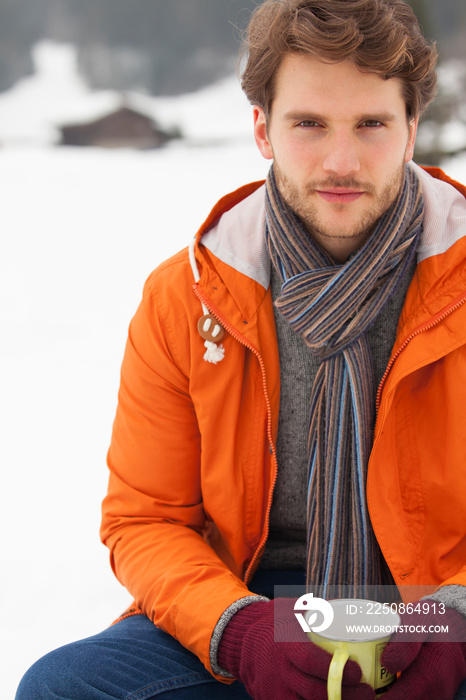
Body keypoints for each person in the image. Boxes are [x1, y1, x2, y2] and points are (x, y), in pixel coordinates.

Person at [16, 0, 466, 698]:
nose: (341, 160)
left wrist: (453, 627)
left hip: (433, 612)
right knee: (64, 684)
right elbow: (146, 518)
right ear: (262, 128)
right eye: (309, 124)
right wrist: (239, 630)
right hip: (263, 607)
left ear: (411, 130)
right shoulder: (187, 295)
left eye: (371, 124)